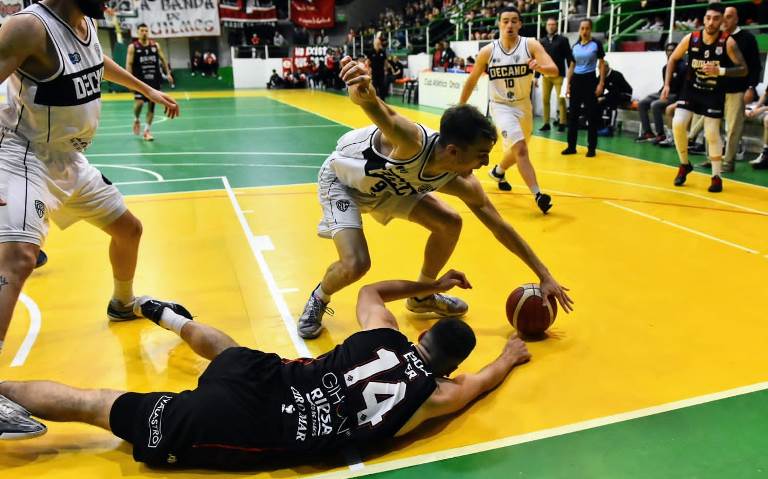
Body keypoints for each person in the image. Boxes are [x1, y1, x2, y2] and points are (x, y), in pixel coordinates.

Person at [0, 272, 533, 470]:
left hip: (270, 376)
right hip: (252, 424)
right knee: (99, 405)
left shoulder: (384, 333)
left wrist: (429, 286)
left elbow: (370, 291)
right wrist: (510, 353)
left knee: (230, 352)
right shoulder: (436, 396)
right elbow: (482, 381)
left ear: (421, 334)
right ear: (451, 366)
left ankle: (167, 316)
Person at [296, 55, 573, 340]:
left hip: (390, 187)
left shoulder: (462, 181)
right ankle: (319, 298)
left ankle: (422, 297)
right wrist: (365, 93)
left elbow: (500, 227)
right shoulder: (410, 141)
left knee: (450, 222)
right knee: (356, 264)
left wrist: (544, 274)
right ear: (453, 151)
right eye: (480, 155)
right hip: (344, 183)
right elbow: (383, 112)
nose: (485, 162)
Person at [0, 0, 181, 362]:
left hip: (69, 159)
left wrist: (146, 89)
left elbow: (97, 64)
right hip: (24, 155)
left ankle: (123, 303)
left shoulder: (85, 21)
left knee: (129, 230)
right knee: (19, 258)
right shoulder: (29, 28)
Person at [458, 6, 559, 214]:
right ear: (499, 24)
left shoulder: (530, 44)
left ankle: (498, 171)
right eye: (505, 21)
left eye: (514, 21)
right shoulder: (488, 51)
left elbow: (554, 70)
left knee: (515, 152)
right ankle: (538, 194)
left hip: (523, 105)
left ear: (520, 24)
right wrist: (460, 106)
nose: (509, 25)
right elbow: (472, 80)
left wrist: (539, 67)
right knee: (521, 149)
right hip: (500, 106)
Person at [661, 3, 746, 193]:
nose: (711, 22)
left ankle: (716, 177)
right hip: (691, 90)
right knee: (678, 123)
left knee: (712, 134)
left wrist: (720, 70)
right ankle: (684, 164)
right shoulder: (692, 38)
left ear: (722, 20)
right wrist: (667, 85)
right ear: (704, 19)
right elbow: (673, 59)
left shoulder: (728, 42)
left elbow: (743, 69)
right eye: (708, 18)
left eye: (716, 18)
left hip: (713, 92)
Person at [696, 6, 760, 173]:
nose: (725, 20)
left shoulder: (747, 39)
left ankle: (728, 162)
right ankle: (712, 159)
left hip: (737, 90)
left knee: (732, 129)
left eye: (729, 17)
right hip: (716, 89)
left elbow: (755, 67)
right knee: (712, 126)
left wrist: (751, 88)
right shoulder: (716, 38)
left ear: (737, 19)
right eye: (723, 17)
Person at [562, 18, 606, 158]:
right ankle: (571, 146)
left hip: (590, 80)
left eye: (587, 28)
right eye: (582, 28)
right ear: (579, 30)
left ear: (590, 29)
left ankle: (591, 148)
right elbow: (572, 66)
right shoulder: (575, 46)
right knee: (573, 115)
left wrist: (601, 83)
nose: (584, 31)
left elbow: (602, 64)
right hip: (576, 81)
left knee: (591, 115)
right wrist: (568, 84)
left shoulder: (596, 44)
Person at [126, 23, 173, 142]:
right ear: (137, 32)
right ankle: (136, 119)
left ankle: (147, 131)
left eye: (146, 30)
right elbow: (129, 64)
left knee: (151, 107)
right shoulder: (133, 47)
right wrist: (128, 81)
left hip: (154, 80)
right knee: (139, 103)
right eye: (142, 30)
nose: (144, 32)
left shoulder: (155, 45)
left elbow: (163, 59)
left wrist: (168, 73)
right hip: (140, 81)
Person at [636, 42, 686, 144]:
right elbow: (665, 85)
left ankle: (661, 135)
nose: (670, 52)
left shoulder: (683, 67)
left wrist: (678, 100)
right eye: (668, 50)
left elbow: (684, 87)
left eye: (673, 50)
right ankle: (648, 133)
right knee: (642, 103)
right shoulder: (665, 68)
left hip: (676, 95)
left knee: (656, 104)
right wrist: (661, 94)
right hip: (665, 93)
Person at [536, 17, 573, 133]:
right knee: (545, 100)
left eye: (553, 24)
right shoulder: (542, 41)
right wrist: (536, 76)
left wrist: (569, 77)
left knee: (561, 100)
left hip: (559, 76)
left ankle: (562, 123)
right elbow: (539, 60)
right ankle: (546, 123)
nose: (551, 26)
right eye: (549, 24)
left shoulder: (563, 40)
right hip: (545, 76)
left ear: (556, 26)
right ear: (546, 27)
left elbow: (569, 58)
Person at [596, 62, 633, 136]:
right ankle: (599, 126)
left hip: (624, 94)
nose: (599, 70)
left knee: (612, 102)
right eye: (598, 68)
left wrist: (603, 98)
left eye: (601, 68)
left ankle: (610, 128)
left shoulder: (616, 75)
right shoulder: (601, 76)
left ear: (607, 67)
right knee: (597, 103)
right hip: (613, 94)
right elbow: (597, 89)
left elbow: (615, 92)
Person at [745, 91, 768, 169]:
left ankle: (765, 154)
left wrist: (763, 109)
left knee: (767, 120)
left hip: (765, 108)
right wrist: (755, 108)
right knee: (742, 111)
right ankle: (735, 149)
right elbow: (765, 94)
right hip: (765, 108)